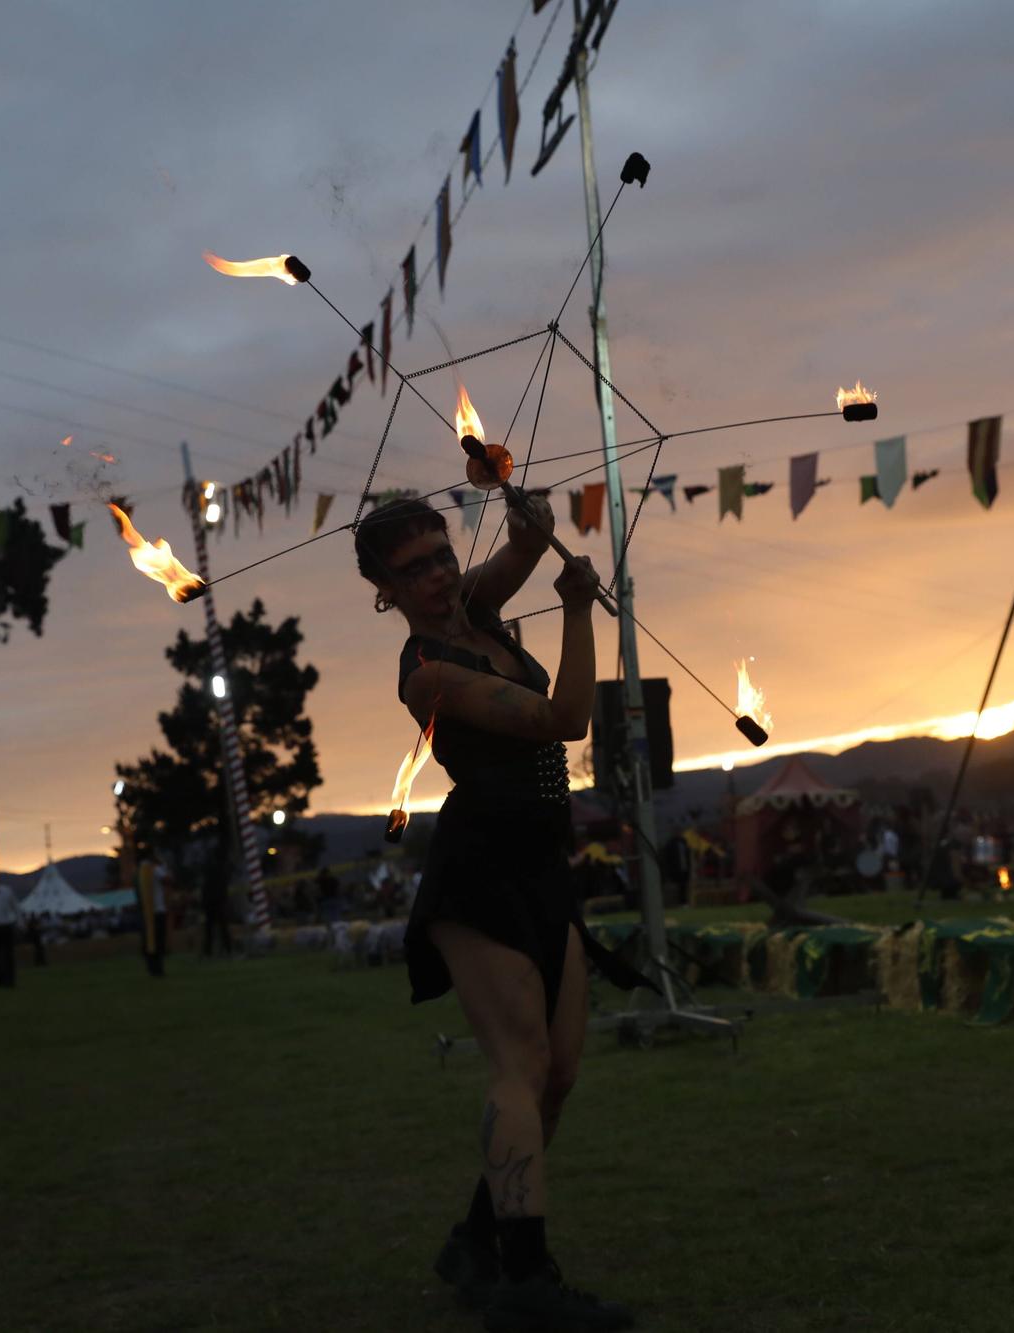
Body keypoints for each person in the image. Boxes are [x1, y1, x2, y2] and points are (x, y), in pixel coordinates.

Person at [360, 494, 647, 1329]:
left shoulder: (479, 608)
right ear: (385, 589)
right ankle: (524, 1284)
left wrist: (529, 510)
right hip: (479, 869)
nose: (437, 575)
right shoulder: (430, 672)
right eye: (412, 569)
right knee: (520, 1066)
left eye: (440, 554)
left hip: (540, 866)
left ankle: (475, 1243)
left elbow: (524, 545)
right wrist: (578, 609)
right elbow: (565, 719)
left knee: (557, 1076)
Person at [137, 856, 169, 976]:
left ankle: (152, 967)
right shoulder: (154, 868)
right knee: (158, 941)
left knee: (150, 941)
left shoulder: (141, 869)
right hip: (157, 911)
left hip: (148, 911)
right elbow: (168, 880)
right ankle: (157, 969)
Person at [199, 864, 233, 959]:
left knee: (210, 930)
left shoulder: (208, 880)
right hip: (218, 905)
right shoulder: (221, 878)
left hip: (211, 905)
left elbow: (204, 893)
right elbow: (224, 892)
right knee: (222, 929)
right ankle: (227, 950)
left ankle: (209, 951)